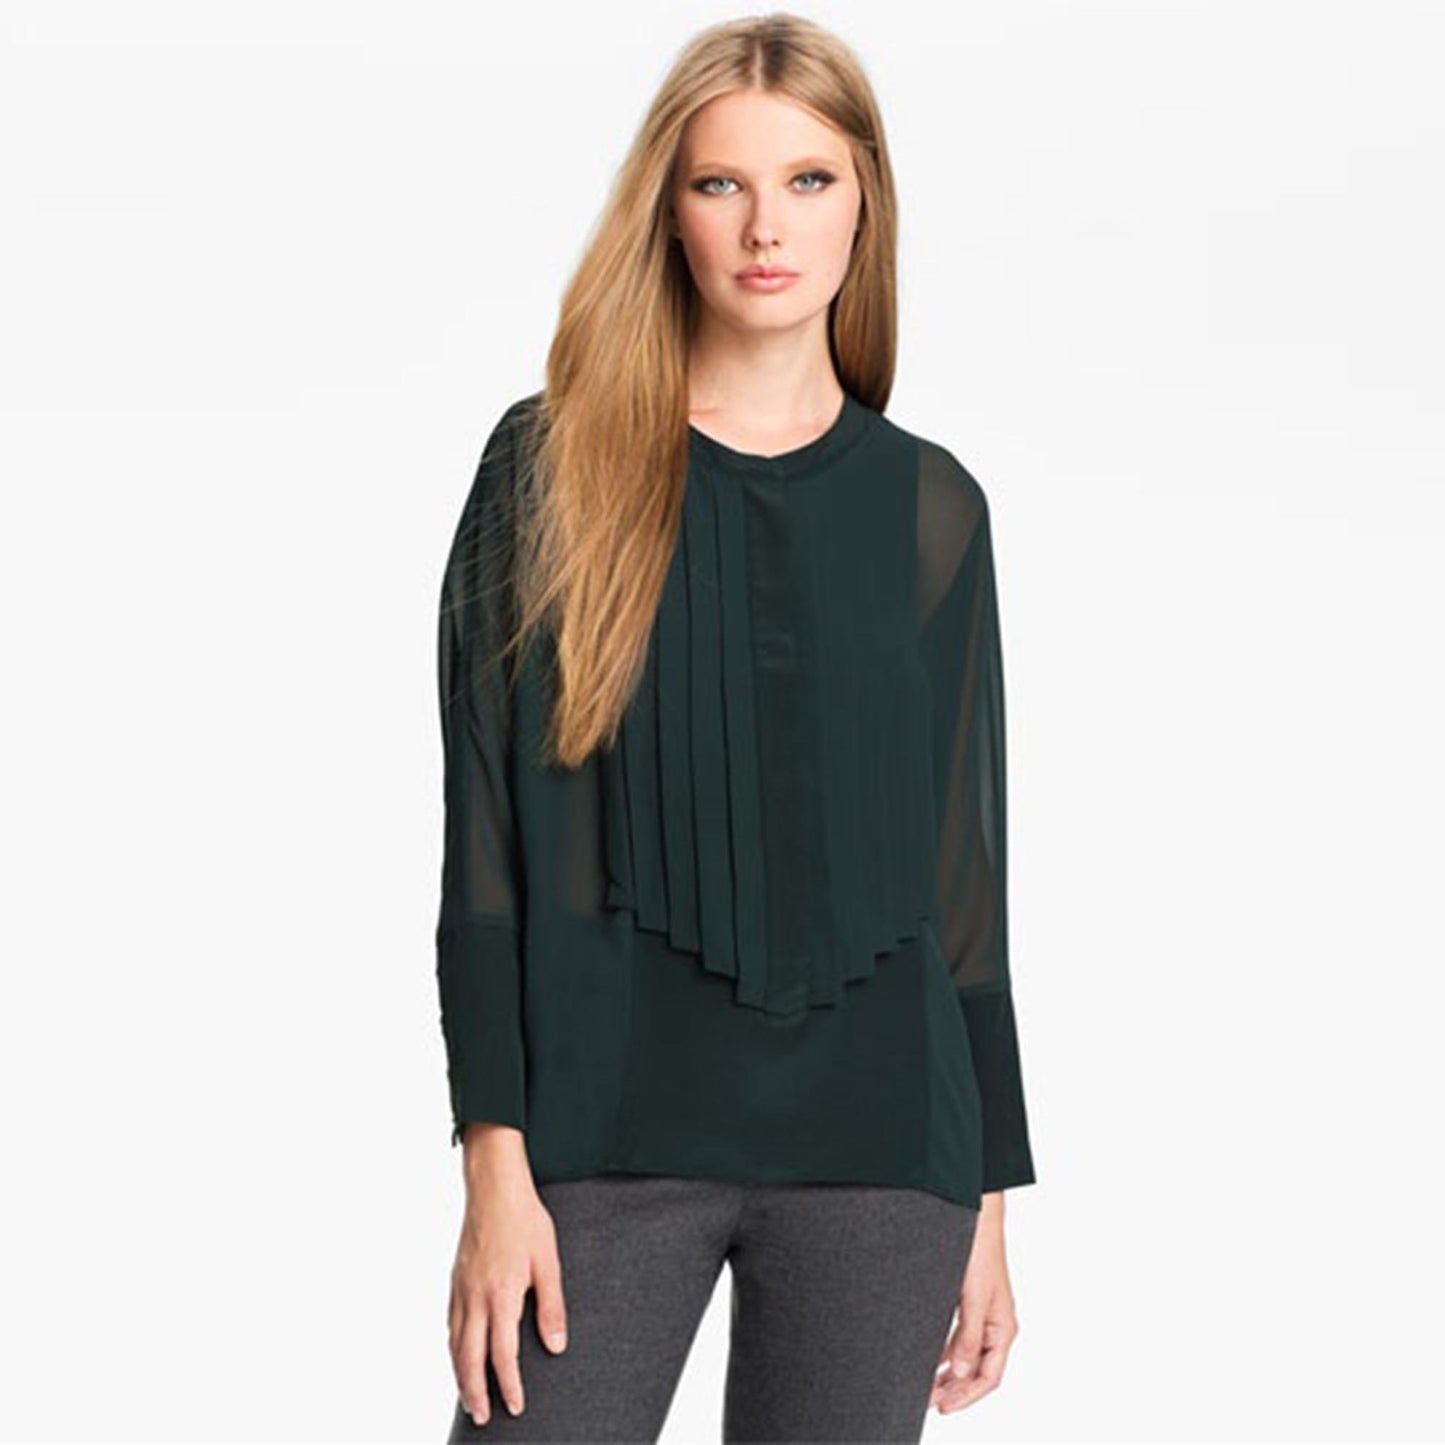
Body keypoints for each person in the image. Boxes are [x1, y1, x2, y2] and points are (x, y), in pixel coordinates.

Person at [434, 14, 1038, 1442]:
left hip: (885, 1152)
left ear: (863, 204)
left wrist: (990, 1200)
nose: (767, 227)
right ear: (670, 211)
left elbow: (961, 889)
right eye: (722, 184)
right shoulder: (550, 468)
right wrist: (493, 1168)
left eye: (808, 182)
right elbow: (485, 855)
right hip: (603, 1140)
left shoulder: (931, 508)